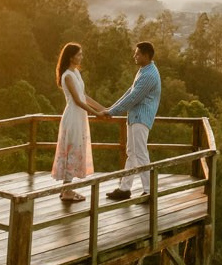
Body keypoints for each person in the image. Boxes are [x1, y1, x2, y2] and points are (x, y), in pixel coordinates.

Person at [102, 41, 160, 200]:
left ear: (146, 56)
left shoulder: (149, 75)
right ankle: (125, 189)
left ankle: (149, 191)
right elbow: (130, 92)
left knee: (140, 154)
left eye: (138, 53)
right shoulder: (144, 70)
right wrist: (111, 109)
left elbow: (134, 97)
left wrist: (112, 111)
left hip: (141, 118)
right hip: (135, 117)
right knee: (132, 153)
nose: (135, 56)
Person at [52, 42, 106, 204]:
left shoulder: (76, 72)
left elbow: (84, 96)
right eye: (79, 54)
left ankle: (66, 189)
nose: (81, 57)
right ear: (71, 56)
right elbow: (76, 100)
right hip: (73, 116)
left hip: (79, 116)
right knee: (72, 148)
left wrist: (103, 108)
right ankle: (66, 191)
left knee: (76, 147)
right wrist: (96, 114)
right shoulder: (67, 75)